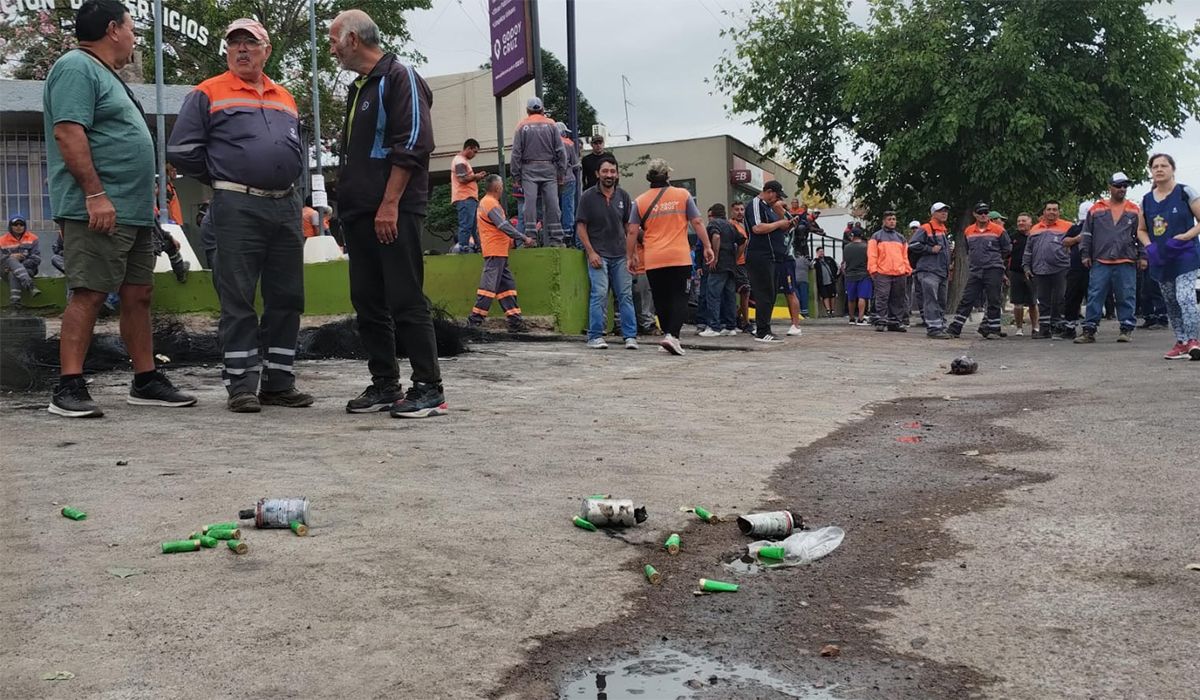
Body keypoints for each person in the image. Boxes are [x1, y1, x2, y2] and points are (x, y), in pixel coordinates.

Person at [42, 0, 196, 417]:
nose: (133, 37)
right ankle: (68, 387)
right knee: (90, 293)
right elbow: (69, 132)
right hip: (97, 208)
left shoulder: (105, 74)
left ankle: (145, 379)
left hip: (130, 211)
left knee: (139, 294)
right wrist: (95, 194)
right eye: (131, 29)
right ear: (113, 29)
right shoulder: (75, 67)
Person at [169, 18, 311, 413]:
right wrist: (224, 177)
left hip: (285, 205)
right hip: (236, 206)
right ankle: (242, 385)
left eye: (251, 42)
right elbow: (182, 150)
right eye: (235, 43)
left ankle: (279, 383)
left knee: (287, 297)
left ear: (267, 50)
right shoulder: (207, 92)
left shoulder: (285, 96)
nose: (242, 49)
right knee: (238, 298)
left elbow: (294, 148)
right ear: (227, 50)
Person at [330, 10, 447, 417]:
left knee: (405, 297)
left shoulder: (401, 77)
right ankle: (385, 383)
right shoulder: (359, 87)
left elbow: (413, 143)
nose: (330, 48)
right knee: (367, 301)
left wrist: (390, 203)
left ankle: (429, 387)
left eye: (333, 40)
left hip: (393, 211)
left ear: (353, 40)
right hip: (360, 213)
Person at [627, 158, 712, 355]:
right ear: (668, 175)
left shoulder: (640, 201)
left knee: (661, 299)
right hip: (679, 257)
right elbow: (697, 222)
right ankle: (672, 336)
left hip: (654, 259)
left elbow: (632, 231)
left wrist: (630, 256)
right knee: (680, 297)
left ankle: (667, 335)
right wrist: (707, 246)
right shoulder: (682, 195)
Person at [1137, 153, 1200, 359]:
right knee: (1171, 300)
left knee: (1185, 297)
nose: (1160, 169)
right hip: (1161, 257)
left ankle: (1194, 339)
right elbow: (1141, 229)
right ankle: (1181, 341)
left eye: (1164, 165)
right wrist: (1149, 246)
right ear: (1151, 171)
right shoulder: (1146, 200)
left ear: (1173, 169)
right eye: (1155, 166)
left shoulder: (1184, 192)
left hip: (1185, 254)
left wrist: (1186, 236)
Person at [577, 154, 637, 349]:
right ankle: (595, 336)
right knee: (600, 294)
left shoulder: (624, 196)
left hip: (620, 255)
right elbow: (581, 227)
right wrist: (591, 252)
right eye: (605, 171)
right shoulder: (587, 197)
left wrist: (632, 252)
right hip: (599, 255)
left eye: (612, 171)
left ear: (617, 174)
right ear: (597, 174)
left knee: (625, 295)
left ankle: (630, 336)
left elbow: (629, 226)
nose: (609, 174)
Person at [1076, 176, 1143, 344]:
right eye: (1118, 185)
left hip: (1125, 260)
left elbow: (1141, 234)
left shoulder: (1134, 210)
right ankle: (1089, 330)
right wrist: (1085, 254)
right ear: (1110, 187)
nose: (1122, 188)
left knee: (1126, 295)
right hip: (1101, 260)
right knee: (1094, 296)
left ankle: (1126, 329)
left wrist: (1143, 256)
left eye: (1125, 186)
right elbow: (1087, 234)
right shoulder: (1096, 209)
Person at [466, 175, 533, 332]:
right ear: (497, 187)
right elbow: (503, 226)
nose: (503, 188)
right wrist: (523, 238)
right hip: (495, 251)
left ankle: (515, 321)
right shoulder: (490, 203)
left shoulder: (488, 203)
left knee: (507, 287)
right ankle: (474, 321)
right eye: (502, 185)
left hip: (499, 252)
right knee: (488, 288)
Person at [744, 180, 800, 341]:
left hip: (775, 256)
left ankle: (765, 327)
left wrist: (787, 223)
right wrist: (779, 223)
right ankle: (762, 330)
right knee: (764, 292)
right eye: (776, 196)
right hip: (760, 255)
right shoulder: (755, 204)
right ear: (768, 192)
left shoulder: (769, 208)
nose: (777, 200)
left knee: (771, 292)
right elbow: (757, 228)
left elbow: (779, 228)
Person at [947, 202, 1011, 339]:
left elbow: (1007, 249)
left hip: (993, 269)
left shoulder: (998, 230)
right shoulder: (968, 231)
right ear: (975, 214)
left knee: (993, 299)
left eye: (986, 212)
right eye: (980, 212)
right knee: (967, 299)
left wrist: (995, 260)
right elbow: (967, 249)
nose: (983, 215)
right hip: (976, 270)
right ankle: (955, 328)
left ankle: (993, 330)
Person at [510, 97, 567, 247]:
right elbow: (561, 151)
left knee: (529, 204)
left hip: (528, 169)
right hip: (549, 169)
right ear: (542, 109)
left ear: (528, 111)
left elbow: (516, 153)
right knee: (553, 204)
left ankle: (531, 238)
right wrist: (561, 172)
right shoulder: (551, 124)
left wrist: (516, 175)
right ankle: (557, 239)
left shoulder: (522, 126)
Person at [1021, 205, 1072, 339]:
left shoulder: (1068, 226)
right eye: (1049, 209)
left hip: (1061, 269)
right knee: (1042, 300)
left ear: (1059, 212)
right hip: (1040, 270)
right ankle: (1044, 329)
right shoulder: (1035, 229)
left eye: (1055, 210)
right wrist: (1026, 267)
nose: (1051, 212)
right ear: (1044, 212)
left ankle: (1058, 327)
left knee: (1059, 299)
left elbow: (1077, 244)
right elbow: (1028, 250)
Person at [697, 203, 744, 336]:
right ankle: (730, 326)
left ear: (713, 214)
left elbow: (716, 237)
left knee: (713, 295)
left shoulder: (713, 224)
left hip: (717, 266)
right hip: (730, 265)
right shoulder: (730, 225)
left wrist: (715, 257)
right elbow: (742, 241)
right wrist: (736, 258)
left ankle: (713, 326)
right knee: (729, 296)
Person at [909, 203, 952, 338]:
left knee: (941, 301)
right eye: (940, 211)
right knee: (931, 299)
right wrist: (929, 249)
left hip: (941, 271)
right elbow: (913, 245)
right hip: (929, 270)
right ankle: (934, 328)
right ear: (933, 214)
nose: (944, 213)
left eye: (945, 211)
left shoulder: (943, 230)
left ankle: (939, 326)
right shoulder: (926, 228)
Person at [868, 211, 912, 331]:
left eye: (893, 219)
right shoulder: (876, 237)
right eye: (889, 219)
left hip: (899, 272)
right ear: (884, 221)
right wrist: (873, 270)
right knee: (882, 297)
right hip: (883, 272)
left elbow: (904, 256)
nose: (892, 221)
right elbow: (872, 255)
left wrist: (907, 269)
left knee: (898, 298)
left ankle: (895, 322)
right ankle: (881, 320)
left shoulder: (901, 238)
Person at [1001, 211, 1036, 336]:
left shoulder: (1035, 236)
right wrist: (1004, 273)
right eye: (1019, 221)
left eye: (1023, 221)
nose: (1021, 223)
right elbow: (1005, 256)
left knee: (1033, 301)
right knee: (1017, 303)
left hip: (1032, 273)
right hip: (1015, 272)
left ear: (1030, 223)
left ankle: (1035, 328)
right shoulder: (1012, 237)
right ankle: (1019, 329)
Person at [451, 138, 487, 253]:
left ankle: (477, 246)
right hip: (465, 197)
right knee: (466, 225)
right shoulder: (460, 161)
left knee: (472, 225)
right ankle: (464, 248)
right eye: (474, 151)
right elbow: (462, 178)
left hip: (468, 197)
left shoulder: (462, 161)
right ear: (468, 148)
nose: (475, 155)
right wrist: (476, 176)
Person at [1061, 202, 1090, 339]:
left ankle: (1089, 328)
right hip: (1075, 268)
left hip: (1092, 268)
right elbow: (1065, 241)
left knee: (1091, 298)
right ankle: (1069, 327)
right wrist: (1077, 239)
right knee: (1071, 297)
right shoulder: (1074, 228)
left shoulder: (1098, 228)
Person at [2, 216, 43, 305]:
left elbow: (36, 259)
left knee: (14, 273)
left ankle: (15, 305)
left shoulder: (33, 238)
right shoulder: (2, 240)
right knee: (11, 259)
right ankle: (30, 286)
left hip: (28, 270)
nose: (18, 226)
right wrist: (10, 256)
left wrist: (18, 266)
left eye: (21, 224)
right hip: (5, 270)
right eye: (15, 224)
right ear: (10, 226)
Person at [556, 122, 581, 247]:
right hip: (569, 179)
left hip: (553, 181)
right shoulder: (569, 143)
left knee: (556, 207)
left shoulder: (550, 143)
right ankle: (568, 233)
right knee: (568, 207)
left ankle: (555, 232)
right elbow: (576, 164)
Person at [730, 201, 752, 332]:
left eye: (742, 209)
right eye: (737, 209)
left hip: (746, 263)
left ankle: (738, 316)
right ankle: (746, 322)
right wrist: (736, 259)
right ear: (732, 211)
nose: (740, 212)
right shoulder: (731, 225)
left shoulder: (744, 225)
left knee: (747, 291)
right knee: (745, 291)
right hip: (738, 263)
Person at [841, 229, 871, 325]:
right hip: (863, 274)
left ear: (852, 236)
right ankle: (861, 318)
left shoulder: (846, 247)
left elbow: (844, 263)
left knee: (851, 298)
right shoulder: (866, 247)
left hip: (850, 275)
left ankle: (851, 318)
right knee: (862, 296)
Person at [813, 247, 838, 317]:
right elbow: (811, 266)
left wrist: (835, 276)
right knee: (825, 296)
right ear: (817, 253)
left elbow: (836, 267)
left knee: (832, 296)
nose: (822, 253)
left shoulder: (829, 259)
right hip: (822, 282)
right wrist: (816, 259)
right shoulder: (816, 262)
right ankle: (828, 310)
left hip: (831, 281)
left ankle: (832, 310)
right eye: (820, 252)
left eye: (822, 251)